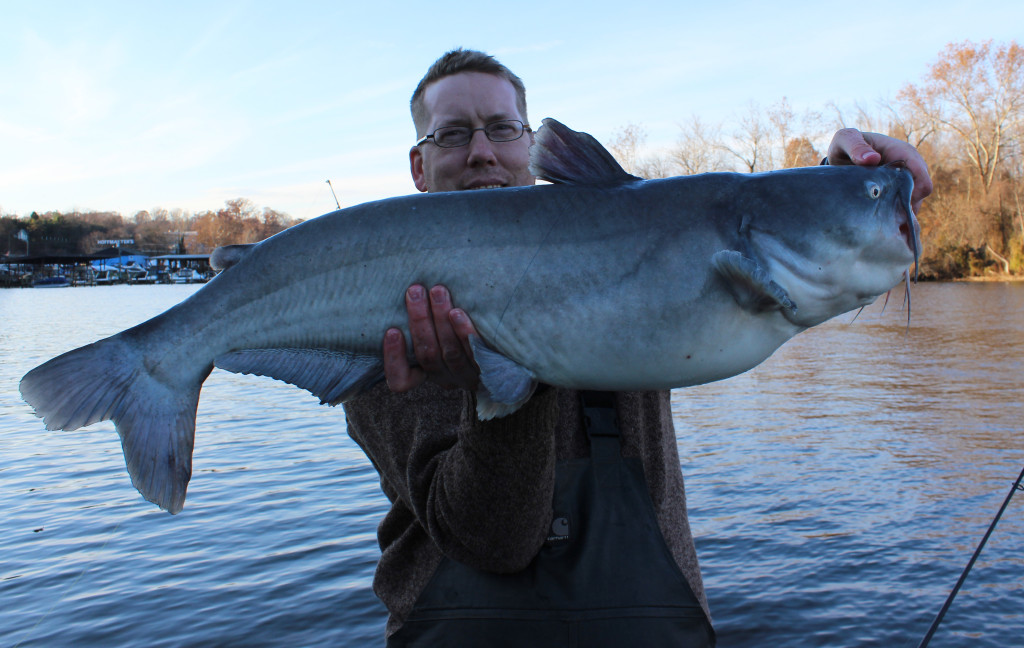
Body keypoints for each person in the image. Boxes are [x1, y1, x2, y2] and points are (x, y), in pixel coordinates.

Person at [343, 49, 932, 647]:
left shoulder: (647, 239)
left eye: (502, 128)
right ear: (419, 166)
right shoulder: (372, 312)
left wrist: (846, 185)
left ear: (529, 144)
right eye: (452, 134)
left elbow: (762, 245)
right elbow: (492, 542)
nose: (482, 151)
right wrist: (499, 382)